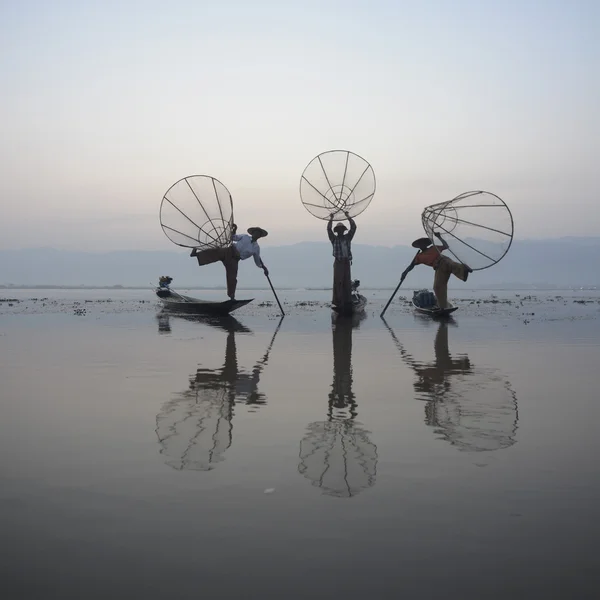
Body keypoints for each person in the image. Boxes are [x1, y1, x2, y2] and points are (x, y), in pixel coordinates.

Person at [190, 224, 269, 300]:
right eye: (256, 232)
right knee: (216, 252)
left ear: (260, 236)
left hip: (235, 259)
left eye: (259, 234)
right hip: (229, 251)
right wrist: (234, 230)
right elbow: (233, 237)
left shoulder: (256, 248)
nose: (257, 234)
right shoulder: (245, 237)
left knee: (232, 278)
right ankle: (196, 254)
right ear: (253, 233)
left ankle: (232, 297)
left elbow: (257, 259)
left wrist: (264, 268)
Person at [404, 231, 472, 309]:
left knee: (451, 265)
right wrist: (405, 272)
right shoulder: (419, 256)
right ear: (419, 246)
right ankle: (443, 306)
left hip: (444, 261)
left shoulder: (433, 248)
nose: (421, 245)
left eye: (423, 243)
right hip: (439, 268)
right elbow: (412, 265)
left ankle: (464, 269)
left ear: (426, 244)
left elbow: (446, 246)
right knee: (437, 287)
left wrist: (439, 237)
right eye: (420, 244)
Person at [327, 211, 357, 314]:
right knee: (338, 282)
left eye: (341, 229)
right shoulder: (334, 239)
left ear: (343, 230)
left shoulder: (347, 238)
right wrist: (331, 219)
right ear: (337, 231)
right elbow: (328, 230)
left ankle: (347, 302)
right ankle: (339, 302)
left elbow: (354, 227)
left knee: (346, 282)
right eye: (338, 230)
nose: (340, 231)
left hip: (346, 262)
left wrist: (348, 216)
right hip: (338, 262)